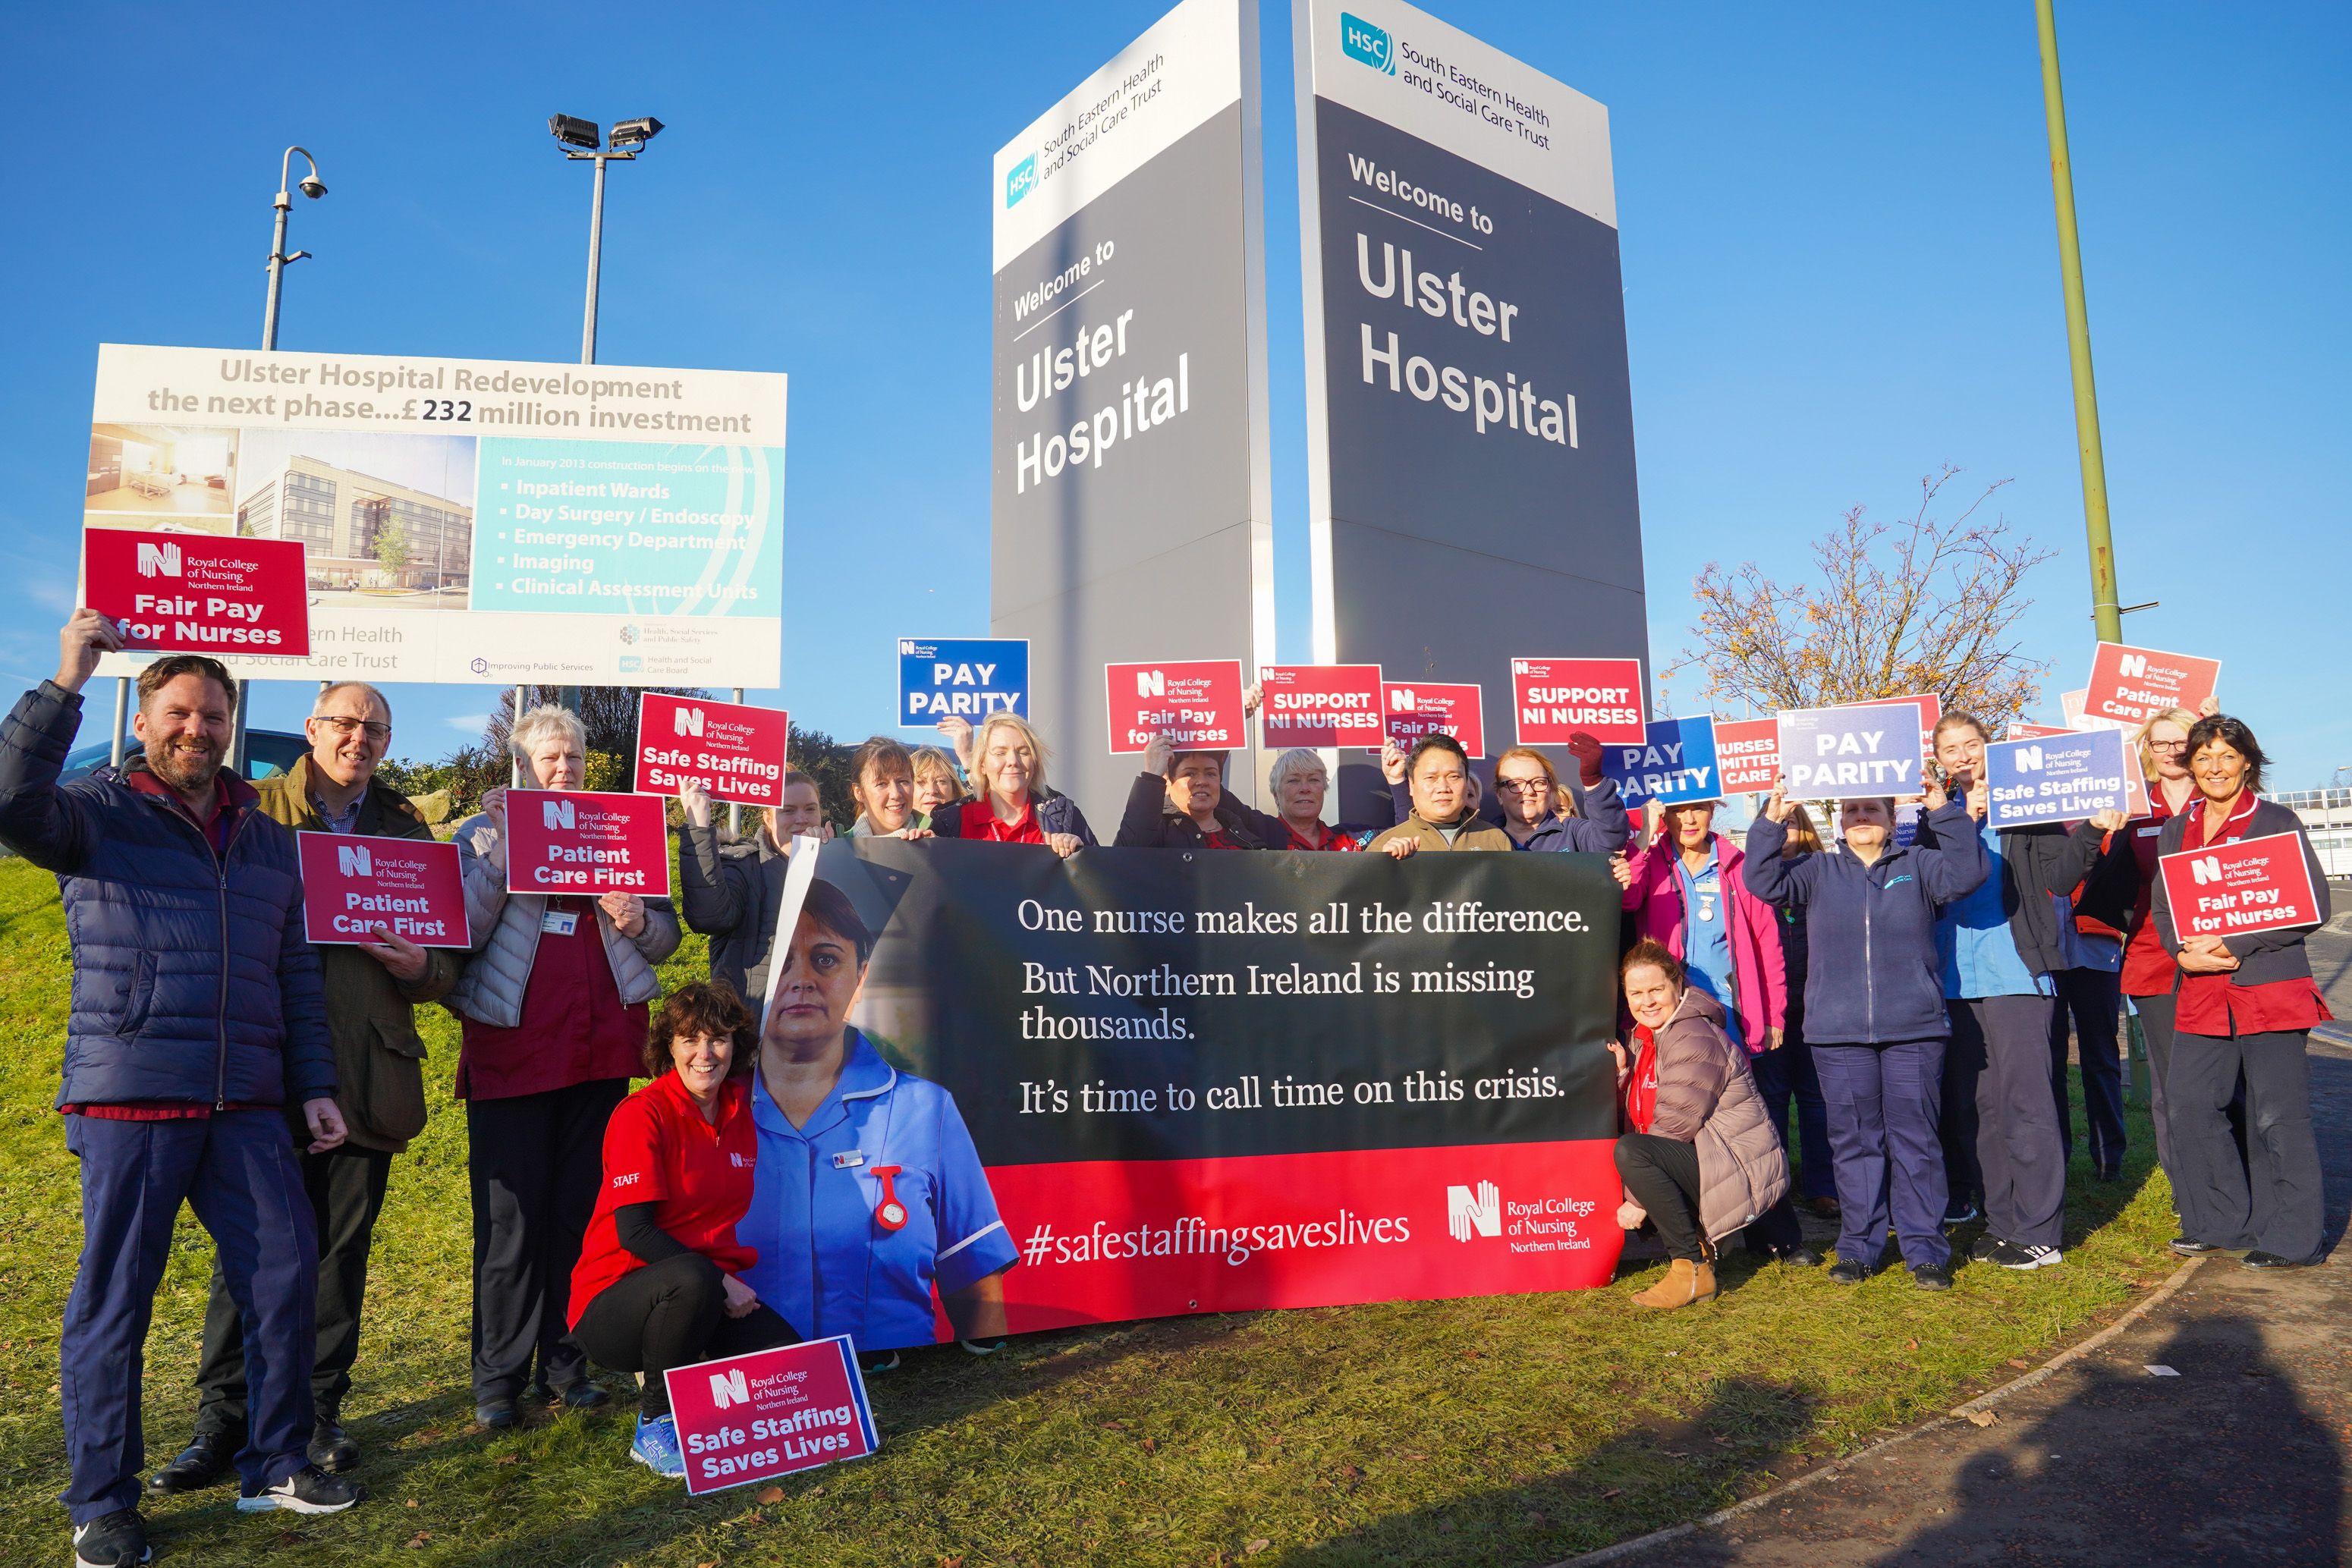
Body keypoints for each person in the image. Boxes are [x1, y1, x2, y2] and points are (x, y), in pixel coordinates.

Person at [0, 612, 359, 1563]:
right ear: (148, 717)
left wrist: (314, 1086)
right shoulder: (95, 807)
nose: (196, 730)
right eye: (180, 712)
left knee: (284, 1273)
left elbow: (295, 976)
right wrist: (65, 681)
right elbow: (6, 799)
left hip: (244, 1100)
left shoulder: (266, 837)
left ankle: (276, 1461)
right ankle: (102, 1503)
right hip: (132, 1093)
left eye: (213, 716)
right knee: (115, 1302)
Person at [156, 682, 462, 1495]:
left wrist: (422, 967)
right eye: (345, 723)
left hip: (369, 1068)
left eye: (375, 729)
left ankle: (316, 1413)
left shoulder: (406, 826)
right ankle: (222, 1421)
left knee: (338, 1257)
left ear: (388, 744)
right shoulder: (254, 809)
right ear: (312, 729)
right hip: (267, 1068)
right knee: (245, 1252)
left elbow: (448, 963)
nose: (358, 739)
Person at [448, 705, 683, 1429]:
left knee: (583, 1215)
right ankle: (498, 1378)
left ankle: (566, 1362)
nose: (562, 770)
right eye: (547, 759)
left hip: (601, 1049)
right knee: (511, 1224)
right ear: (520, 767)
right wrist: (503, 854)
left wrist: (640, 922)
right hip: (515, 1052)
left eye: (573, 759)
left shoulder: (620, 832)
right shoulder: (481, 833)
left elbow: (667, 938)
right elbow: (458, 927)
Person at [736, 878, 1020, 1370]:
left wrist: (987, 1385)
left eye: (824, 958)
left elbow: (973, 1274)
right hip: (753, 1388)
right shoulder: (709, 1113)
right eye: (782, 961)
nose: (801, 979)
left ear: (861, 975)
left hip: (902, 1395)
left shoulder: (925, 1109)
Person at [1743, 782, 1988, 1288]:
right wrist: (1773, 818)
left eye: (1870, 808)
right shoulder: (1817, 870)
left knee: (1916, 1141)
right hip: (1838, 1033)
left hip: (1913, 1029)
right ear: (1838, 818)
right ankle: (1858, 1247)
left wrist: (1942, 809)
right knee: (1854, 1143)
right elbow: (1761, 880)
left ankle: (1925, 1249)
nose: (1860, 817)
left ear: (1890, 813)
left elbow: (1968, 872)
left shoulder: (1919, 864)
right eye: (1851, 809)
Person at [1917, 713, 2123, 1271]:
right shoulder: (1935, 817)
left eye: (1971, 744)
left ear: (1989, 747)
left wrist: (2093, 830)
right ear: (1940, 758)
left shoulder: (2028, 805)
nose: (1962, 755)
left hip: (2018, 976)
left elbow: (2059, 877)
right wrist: (1958, 822)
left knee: (2027, 1102)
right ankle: (2002, 1220)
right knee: (1980, 1106)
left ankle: (2039, 1231)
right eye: (1950, 748)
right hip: (1959, 981)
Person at [568, 982, 798, 1478]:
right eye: (690, 1039)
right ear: (667, 1045)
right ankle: (654, 1422)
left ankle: (696, 1376)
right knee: (692, 1279)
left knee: (789, 1369)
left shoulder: (741, 1109)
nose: (704, 1053)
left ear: (735, 1045)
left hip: (701, 1291)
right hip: (616, 1302)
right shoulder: (641, 1114)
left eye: (717, 1038)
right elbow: (634, 1232)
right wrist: (721, 1281)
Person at [2151, 715, 2332, 1268]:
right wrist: (2181, 952)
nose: (2215, 768)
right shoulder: (2177, 828)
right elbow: (2165, 907)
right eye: (2203, 758)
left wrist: (2237, 940)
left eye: (2226, 756)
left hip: (2269, 988)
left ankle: (2293, 1236)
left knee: (2277, 1115)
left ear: (2247, 761)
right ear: (2191, 765)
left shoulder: (2276, 820)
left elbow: (2314, 903)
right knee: (2189, 1104)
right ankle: (2221, 1219)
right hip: (2203, 993)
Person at [1608, 941, 1809, 1309]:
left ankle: (1691, 1270)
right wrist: (1623, 1074)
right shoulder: (1645, 1037)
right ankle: (1701, 1240)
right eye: (1636, 993)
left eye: (1657, 990)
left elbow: (1673, 1126)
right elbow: (1642, 1109)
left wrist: (1636, 1200)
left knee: (1634, 1153)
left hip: (1737, 1168)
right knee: (1632, 1150)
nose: (1647, 1001)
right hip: (1711, 1159)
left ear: (1678, 985)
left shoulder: (1692, 1035)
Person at [2121, 704, 2222, 1183]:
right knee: (2171, 1085)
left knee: (2224, 1077)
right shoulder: (2134, 805)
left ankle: (2232, 1187)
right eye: (2158, 743)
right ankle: (2191, 1196)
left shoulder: (2223, 799)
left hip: (2222, 956)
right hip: (2154, 960)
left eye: (2179, 741)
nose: (2169, 752)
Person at [678, 768, 837, 1021]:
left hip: (819, 1025)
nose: (801, 819)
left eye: (810, 809)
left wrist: (828, 861)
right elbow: (709, 918)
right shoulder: (743, 865)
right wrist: (698, 830)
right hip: (750, 1024)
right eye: (788, 810)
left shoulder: (834, 864)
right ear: (767, 817)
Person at [1764, 805, 1838, 1217]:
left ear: (1804, 828)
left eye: (1789, 822)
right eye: (1774, 823)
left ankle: (1822, 1186)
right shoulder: (1754, 876)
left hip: (1817, 1005)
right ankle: (1775, 1187)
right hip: (1772, 1008)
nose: (1783, 830)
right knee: (1772, 1097)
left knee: (1816, 1098)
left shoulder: (1825, 872)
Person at [923, 712, 1093, 856]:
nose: (1013, 761)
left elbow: (1100, 885)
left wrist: (1080, 855)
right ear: (982, 764)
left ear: (1034, 762)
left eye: (1023, 752)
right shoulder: (950, 821)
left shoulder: (1063, 817)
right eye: (1000, 753)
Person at [1218, 744, 1401, 850]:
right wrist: (1229, 726)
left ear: (1323, 788)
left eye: (1313, 780)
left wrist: (1397, 780)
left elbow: (1411, 833)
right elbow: (1213, 794)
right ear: (1276, 793)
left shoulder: (1353, 837)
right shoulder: (1260, 831)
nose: (1305, 788)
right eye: (1293, 781)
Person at [1115, 732, 1269, 849]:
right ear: (1168, 783)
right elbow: (1128, 854)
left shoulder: (1242, 829)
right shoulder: (1157, 831)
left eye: (1211, 774)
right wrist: (1153, 776)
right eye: (1189, 774)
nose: (1202, 781)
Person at [1366, 734, 1512, 856]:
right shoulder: (1385, 845)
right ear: (1411, 785)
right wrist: (1383, 866)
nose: (1443, 788)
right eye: (1431, 778)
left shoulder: (1495, 839)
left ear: (1467, 782)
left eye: (1453, 776)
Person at [1490, 744, 1631, 853]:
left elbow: (1611, 839)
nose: (1529, 791)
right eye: (1515, 784)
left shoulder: (1572, 832)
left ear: (1550, 791)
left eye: (1539, 782)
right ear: (1499, 794)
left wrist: (1593, 780)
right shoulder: (1484, 838)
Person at [844, 737, 935, 839]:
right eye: (882, 784)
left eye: (903, 781)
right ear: (859, 792)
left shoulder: (937, 839)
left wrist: (935, 851)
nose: (895, 794)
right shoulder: (839, 849)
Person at [910, 745, 967, 820]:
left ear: (955, 790)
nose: (932, 791)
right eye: (921, 782)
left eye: (940, 781)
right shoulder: (892, 830)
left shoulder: (970, 829)